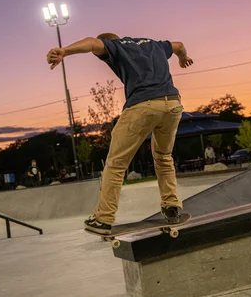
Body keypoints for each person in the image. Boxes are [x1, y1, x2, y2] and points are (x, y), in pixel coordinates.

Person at [47, 34, 193, 235]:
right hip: (173, 103)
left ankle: (103, 219)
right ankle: (172, 207)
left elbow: (91, 43)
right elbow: (180, 45)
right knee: (163, 157)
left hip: (143, 105)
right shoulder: (154, 44)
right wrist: (182, 58)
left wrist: (64, 51)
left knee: (116, 163)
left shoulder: (114, 46)